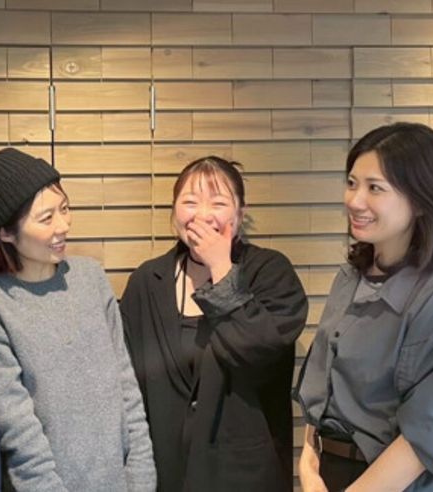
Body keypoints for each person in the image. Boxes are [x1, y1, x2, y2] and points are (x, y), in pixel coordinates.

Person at [293, 122, 433, 492]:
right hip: (329, 472)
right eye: (352, 183)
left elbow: (428, 435)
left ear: (422, 200)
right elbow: (323, 383)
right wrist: (309, 464)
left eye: (375, 188)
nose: (355, 200)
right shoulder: (349, 277)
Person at [0, 148, 157, 492]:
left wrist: (141, 479)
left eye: (64, 208)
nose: (63, 225)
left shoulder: (90, 278)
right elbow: (17, 430)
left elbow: (126, 386)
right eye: (46, 218)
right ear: (5, 232)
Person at [121, 156, 308, 491]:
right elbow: (127, 382)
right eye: (190, 202)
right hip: (167, 473)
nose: (202, 215)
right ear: (174, 211)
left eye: (218, 203)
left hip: (245, 476)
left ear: (239, 213)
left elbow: (261, 354)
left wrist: (221, 267)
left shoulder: (270, 272)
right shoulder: (147, 282)